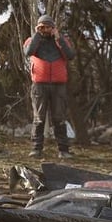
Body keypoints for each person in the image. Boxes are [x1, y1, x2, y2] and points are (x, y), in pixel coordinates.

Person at [23, 14, 76, 158]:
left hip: (59, 85)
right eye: (42, 27)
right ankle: (36, 149)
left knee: (59, 118)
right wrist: (37, 35)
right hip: (39, 85)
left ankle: (63, 150)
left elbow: (70, 55)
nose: (45, 29)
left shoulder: (62, 41)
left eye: (48, 27)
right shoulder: (32, 41)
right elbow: (29, 52)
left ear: (53, 28)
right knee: (39, 118)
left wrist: (58, 37)